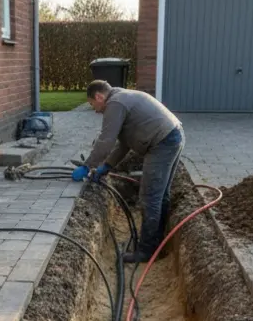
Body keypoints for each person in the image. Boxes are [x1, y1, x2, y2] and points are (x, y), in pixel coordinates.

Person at [74, 80, 185, 262]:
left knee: (150, 197)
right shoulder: (123, 98)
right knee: (160, 196)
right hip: (173, 135)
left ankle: (146, 251)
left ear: (99, 96)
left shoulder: (115, 104)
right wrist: (106, 166)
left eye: (92, 104)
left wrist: (87, 166)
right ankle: (158, 243)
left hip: (162, 143)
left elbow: (106, 141)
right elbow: (124, 144)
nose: (94, 110)